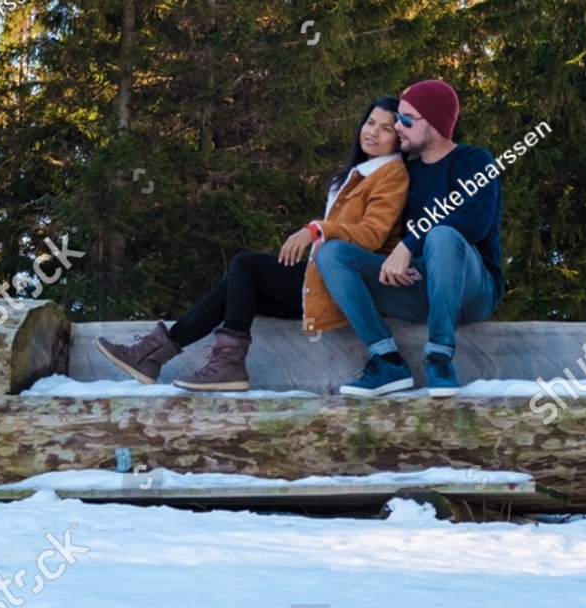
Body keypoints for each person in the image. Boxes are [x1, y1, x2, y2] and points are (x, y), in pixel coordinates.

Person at [95, 98, 409, 392]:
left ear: (398, 139)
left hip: (349, 287)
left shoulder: (391, 173)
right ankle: (152, 356)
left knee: (246, 265)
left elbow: (372, 234)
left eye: (386, 129)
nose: (374, 133)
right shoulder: (360, 172)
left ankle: (215, 364)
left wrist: (316, 230)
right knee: (238, 283)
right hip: (325, 279)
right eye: (370, 123)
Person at [314, 79, 503, 398]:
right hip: (419, 287)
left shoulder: (475, 161)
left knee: (443, 235)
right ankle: (385, 358)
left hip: (473, 291)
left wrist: (409, 246)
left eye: (405, 120)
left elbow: (474, 222)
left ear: (437, 124)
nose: (397, 127)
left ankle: (440, 357)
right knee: (331, 254)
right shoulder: (405, 173)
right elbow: (379, 233)